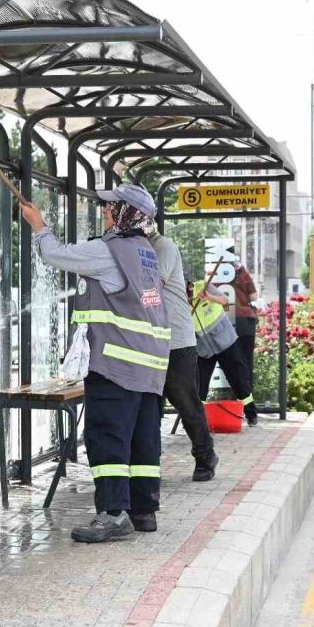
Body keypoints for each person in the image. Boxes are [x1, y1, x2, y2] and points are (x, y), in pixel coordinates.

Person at [19, 186, 170, 543]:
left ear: (127, 213)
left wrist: (38, 225)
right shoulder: (146, 253)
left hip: (116, 363)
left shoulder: (110, 251)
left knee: (107, 438)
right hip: (149, 365)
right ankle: (142, 510)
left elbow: (57, 255)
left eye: (111, 206)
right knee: (142, 439)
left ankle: (113, 514)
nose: (104, 211)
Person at [142, 196, 220, 481]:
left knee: (186, 402)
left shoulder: (163, 247)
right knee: (150, 407)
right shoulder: (134, 248)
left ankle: (205, 454)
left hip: (176, 341)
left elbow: (151, 286)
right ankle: (149, 464)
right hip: (148, 342)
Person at [189, 277, 257, 425]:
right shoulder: (179, 302)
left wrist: (209, 297)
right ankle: (198, 422)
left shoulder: (203, 285)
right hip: (203, 348)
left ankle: (251, 414)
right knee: (199, 384)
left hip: (226, 341)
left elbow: (225, 300)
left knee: (238, 378)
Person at [219, 241, 265, 393]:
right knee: (246, 363)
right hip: (245, 321)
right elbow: (253, 296)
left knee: (228, 362)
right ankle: (246, 401)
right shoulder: (241, 271)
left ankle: (228, 397)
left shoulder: (215, 272)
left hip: (226, 323)